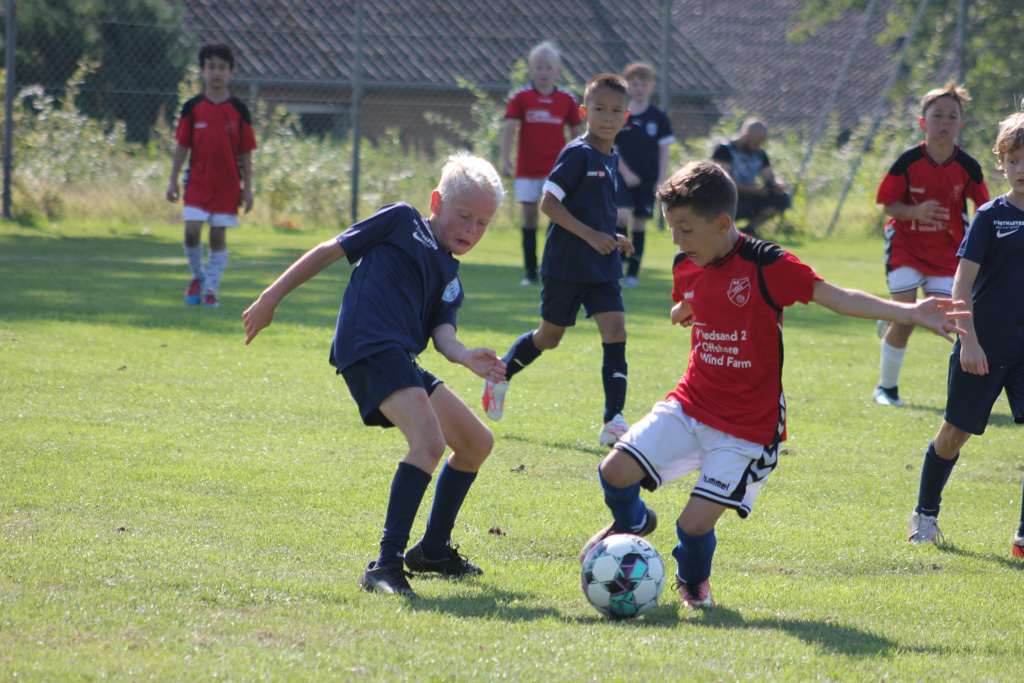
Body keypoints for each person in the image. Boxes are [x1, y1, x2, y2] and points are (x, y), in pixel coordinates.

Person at [579, 160, 968, 610]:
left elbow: (837, 297)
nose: (676, 240)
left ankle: (692, 579)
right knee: (613, 472)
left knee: (692, 526)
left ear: (722, 223)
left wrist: (910, 312)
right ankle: (633, 523)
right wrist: (684, 309)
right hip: (691, 403)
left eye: (684, 229)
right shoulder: (687, 261)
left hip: (747, 427)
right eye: (671, 229)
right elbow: (692, 296)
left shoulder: (767, 263)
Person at [242, 153, 507, 598]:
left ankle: (433, 551)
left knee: (476, 442)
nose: (472, 230)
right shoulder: (401, 220)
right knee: (429, 443)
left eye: (483, 223)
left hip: (398, 356)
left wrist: (465, 356)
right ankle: (385, 565)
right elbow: (329, 250)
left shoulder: (451, 277)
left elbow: (443, 334)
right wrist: (271, 297)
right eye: (465, 216)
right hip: (367, 344)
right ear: (437, 202)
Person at [484, 73, 634, 446]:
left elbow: (595, 210)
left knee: (616, 332)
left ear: (626, 116)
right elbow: (549, 204)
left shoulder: (611, 156)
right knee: (549, 338)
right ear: (584, 112)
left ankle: (613, 420)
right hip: (567, 265)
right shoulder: (577, 153)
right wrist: (591, 235)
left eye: (616, 110)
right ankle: (499, 375)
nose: (607, 117)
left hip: (602, 266)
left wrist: (611, 237)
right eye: (599, 109)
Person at [905, 111, 1024, 557]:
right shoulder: (991, 217)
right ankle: (924, 514)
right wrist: (968, 340)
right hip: (983, 348)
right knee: (955, 433)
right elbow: (961, 284)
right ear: (1001, 163)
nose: (1021, 169)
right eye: (1013, 161)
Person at [872, 82, 989, 407]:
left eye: (952, 116)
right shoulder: (908, 161)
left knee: (950, 322)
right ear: (923, 123)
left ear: (960, 126)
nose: (944, 122)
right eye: (937, 115)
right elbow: (888, 204)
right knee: (906, 319)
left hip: (947, 253)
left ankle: (962, 399)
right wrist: (915, 212)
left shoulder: (968, 167)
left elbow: (984, 209)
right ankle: (886, 389)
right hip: (906, 247)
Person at [167, 42, 257, 309]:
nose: (216, 72)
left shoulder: (239, 110)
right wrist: (172, 180)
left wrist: (248, 188)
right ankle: (198, 276)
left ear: (231, 72)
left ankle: (211, 289)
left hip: (227, 185)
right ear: (202, 71)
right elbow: (182, 145)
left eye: (222, 67)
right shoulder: (192, 107)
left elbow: (246, 152)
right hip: (198, 182)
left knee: (218, 236)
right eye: (211, 67)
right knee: (191, 231)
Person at [501, 41, 583, 285]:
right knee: (529, 219)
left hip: (556, 171)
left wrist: (577, 163)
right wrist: (505, 159)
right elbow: (508, 130)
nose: (543, 72)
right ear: (530, 69)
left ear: (557, 71)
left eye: (548, 67)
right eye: (539, 67)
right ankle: (530, 272)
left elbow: (577, 136)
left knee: (556, 218)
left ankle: (550, 268)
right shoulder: (520, 98)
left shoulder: (567, 100)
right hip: (527, 169)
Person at [614, 62, 675, 289]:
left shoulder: (658, 117)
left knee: (640, 223)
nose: (639, 88)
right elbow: (613, 148)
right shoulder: (621, 114)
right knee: (621, 216)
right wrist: (626, 173)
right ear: (627, 86)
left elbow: (664, 150)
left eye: (643, 84)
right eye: (634, 84)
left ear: (652, 87)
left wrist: (661, 180)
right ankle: (618, 264)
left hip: (648, 178)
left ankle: (633, 273)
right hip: (623, 177)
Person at [711, 118, 790, 238]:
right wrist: (750, 189)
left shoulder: (760, 154)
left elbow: (769, 177)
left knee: (781, 199)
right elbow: (723, 181)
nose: (758, 147)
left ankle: (749, 230)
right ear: (746, 136)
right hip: (727, 199)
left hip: (749, 196)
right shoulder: (725, 149)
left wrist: (777, 185)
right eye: (757, 143)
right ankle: (720, 230)